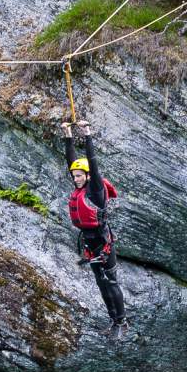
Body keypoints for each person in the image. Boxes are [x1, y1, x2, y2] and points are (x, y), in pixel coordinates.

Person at [63, 121, 125, 328]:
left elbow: (92, 161)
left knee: (111, 282)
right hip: (90, 244)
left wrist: (87, 134)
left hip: (103, 242)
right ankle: (112, 319)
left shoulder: (95, 190)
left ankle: (121, 321)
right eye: (74, 176)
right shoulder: (79, 185)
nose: (76, 179)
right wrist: (68, 135)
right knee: (100, 283)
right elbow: (72, 161)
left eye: (80, 176)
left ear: (89, 176)